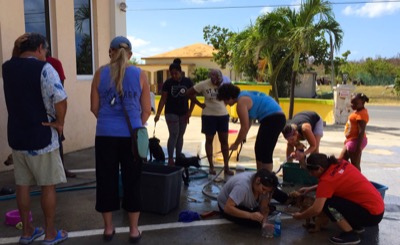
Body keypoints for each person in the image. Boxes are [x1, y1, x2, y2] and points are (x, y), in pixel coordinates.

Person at [3, 33, 68, 244]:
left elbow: (15, 59)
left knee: (22, 185)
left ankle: (27, 231)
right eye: (45, 51)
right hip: (41, 137)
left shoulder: (7, 68)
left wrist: (17, 45)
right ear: (40, 47)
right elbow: (60, 98)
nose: (45, 55)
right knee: (48, 185)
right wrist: (60, 123)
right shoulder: (45, 68)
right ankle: (50, 233)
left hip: (17, 136)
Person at [90, 36, 151, 243]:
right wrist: (135, 125)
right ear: (130, 55)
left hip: (105, 135)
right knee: (133, 181)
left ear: (110, 52)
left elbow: (94, 108)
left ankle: (108, 229)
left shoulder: (99, 73)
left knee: (106, 180)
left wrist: (108, 122)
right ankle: (134, 231)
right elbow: (146, 110)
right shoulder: (140, 74)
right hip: (131, 137)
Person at [292, 153, 384, 244]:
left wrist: (300, 216)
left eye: (312, 172)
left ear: (320, 168)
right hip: (377, 208)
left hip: (370, 216)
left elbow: (316, 209)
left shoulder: (326, 181)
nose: (311, 174)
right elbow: (334, 181)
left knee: (328, 204)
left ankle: (350, 234)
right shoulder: (340, 162)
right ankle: (355, 225)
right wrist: (310, 188)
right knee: (334, 197)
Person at [217, 84, 286, 171]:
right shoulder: (244, 95)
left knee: (266, 151)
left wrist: (236, 144)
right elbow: (248, 122)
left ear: (229, 97)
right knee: (258, 148)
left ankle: (266, 179)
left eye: (225, 100)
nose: (225, 104)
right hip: (272, 118)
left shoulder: (241, 102)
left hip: (273, 119)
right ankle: (260, 174)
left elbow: (244, 127)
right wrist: (242, 137)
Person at [186, 69, 233, 175]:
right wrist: (199, 104)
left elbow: (231, 97)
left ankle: (226, 166)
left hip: (223, 116)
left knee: (224, 141)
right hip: (208, 116)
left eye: (220, 81)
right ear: (212, 79)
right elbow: (189, 93)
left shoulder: (224, 84)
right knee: (209, 140)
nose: (219, 83)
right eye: (217, 82)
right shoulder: (203, 84)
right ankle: (211, 166)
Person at [154, 59, 195, 166]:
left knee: (181, 135)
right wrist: (158, 114)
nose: (173, 75)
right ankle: (171, 158)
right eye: (171, 73)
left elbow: (193, 98)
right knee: (173, 134)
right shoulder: (168, 83)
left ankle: (178, 157)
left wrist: (190, 112)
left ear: (180, 72)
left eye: (175, 73)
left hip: (184, 112)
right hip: (171, 112)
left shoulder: (187, 82)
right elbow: (163, 99)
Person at [46, 49, 76, 178]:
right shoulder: (31, 64)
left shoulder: (54, 63)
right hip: (39, 109)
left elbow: (60, 87)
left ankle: (61, 169)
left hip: (52, 108)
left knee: (58, 138)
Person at [217, 169, 283, 227]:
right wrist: (250, 215)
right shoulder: (242, 187)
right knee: (255, 223)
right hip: (225, 205)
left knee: (260, 219)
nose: (264, 193)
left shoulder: (263, 187)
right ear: (258, 180)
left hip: (241, 201)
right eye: (263, 189)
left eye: (267, 191)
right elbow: (227, 208)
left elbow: (264, 207)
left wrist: (264, 222)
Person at [338, 93, 369, 171]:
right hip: (352, 140)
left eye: (355, 103)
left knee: (355, 165)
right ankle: (347, 178)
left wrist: (358, 148)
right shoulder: (358, 111)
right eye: (351, 102)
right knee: (341, 161)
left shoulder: (362, 115)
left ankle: (358, 181)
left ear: (362, 102)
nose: (352, 105)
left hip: (356, 141)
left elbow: (361, 132)